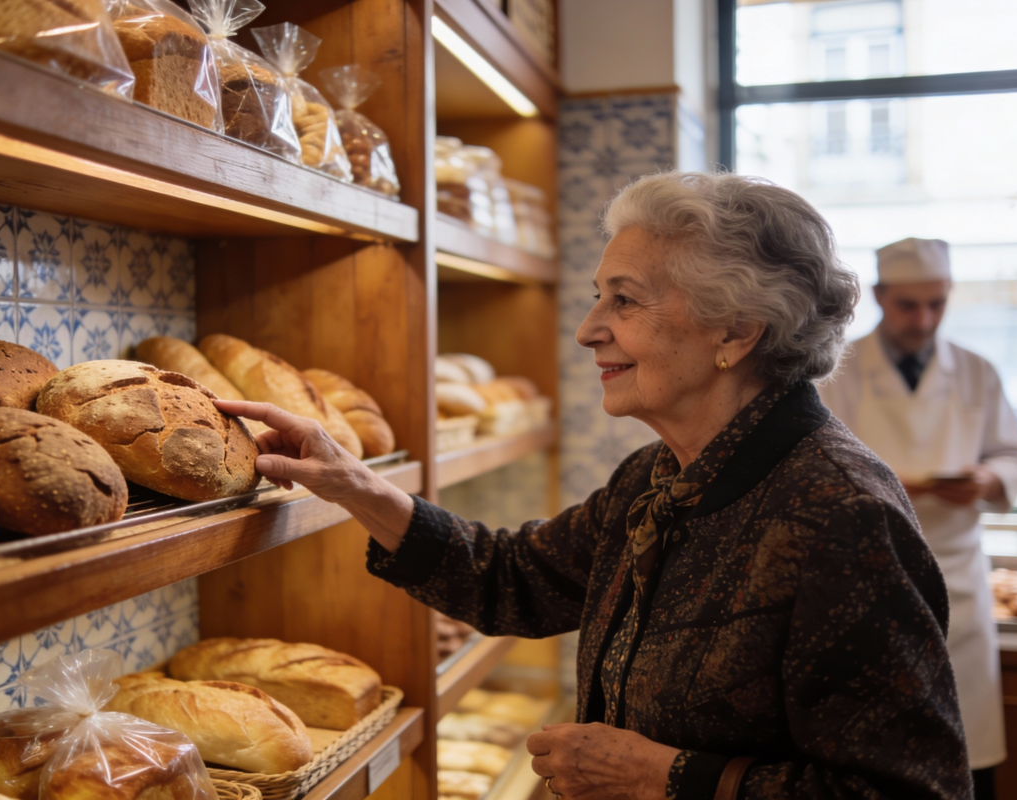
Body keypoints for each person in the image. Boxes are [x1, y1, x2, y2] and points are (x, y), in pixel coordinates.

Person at [217, 173, 972, 799]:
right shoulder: (658, 477)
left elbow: (911, 792)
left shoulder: (839, 513)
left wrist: (668, 776)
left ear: (736, 333)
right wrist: (354, 484)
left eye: (624, 299)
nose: (587, 329)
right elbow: (517, 578)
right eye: (596, 294)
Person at [818, 238, 1017, 800]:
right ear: (881, 296)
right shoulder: (838, 370)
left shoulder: (977, 371)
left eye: (936, 304)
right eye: (909, 304)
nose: (924, 318)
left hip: (959, 576)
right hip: (868, 574)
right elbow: (812, 464)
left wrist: (988, 480)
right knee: (875, 748)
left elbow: (1013, 454)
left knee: (968, 749)